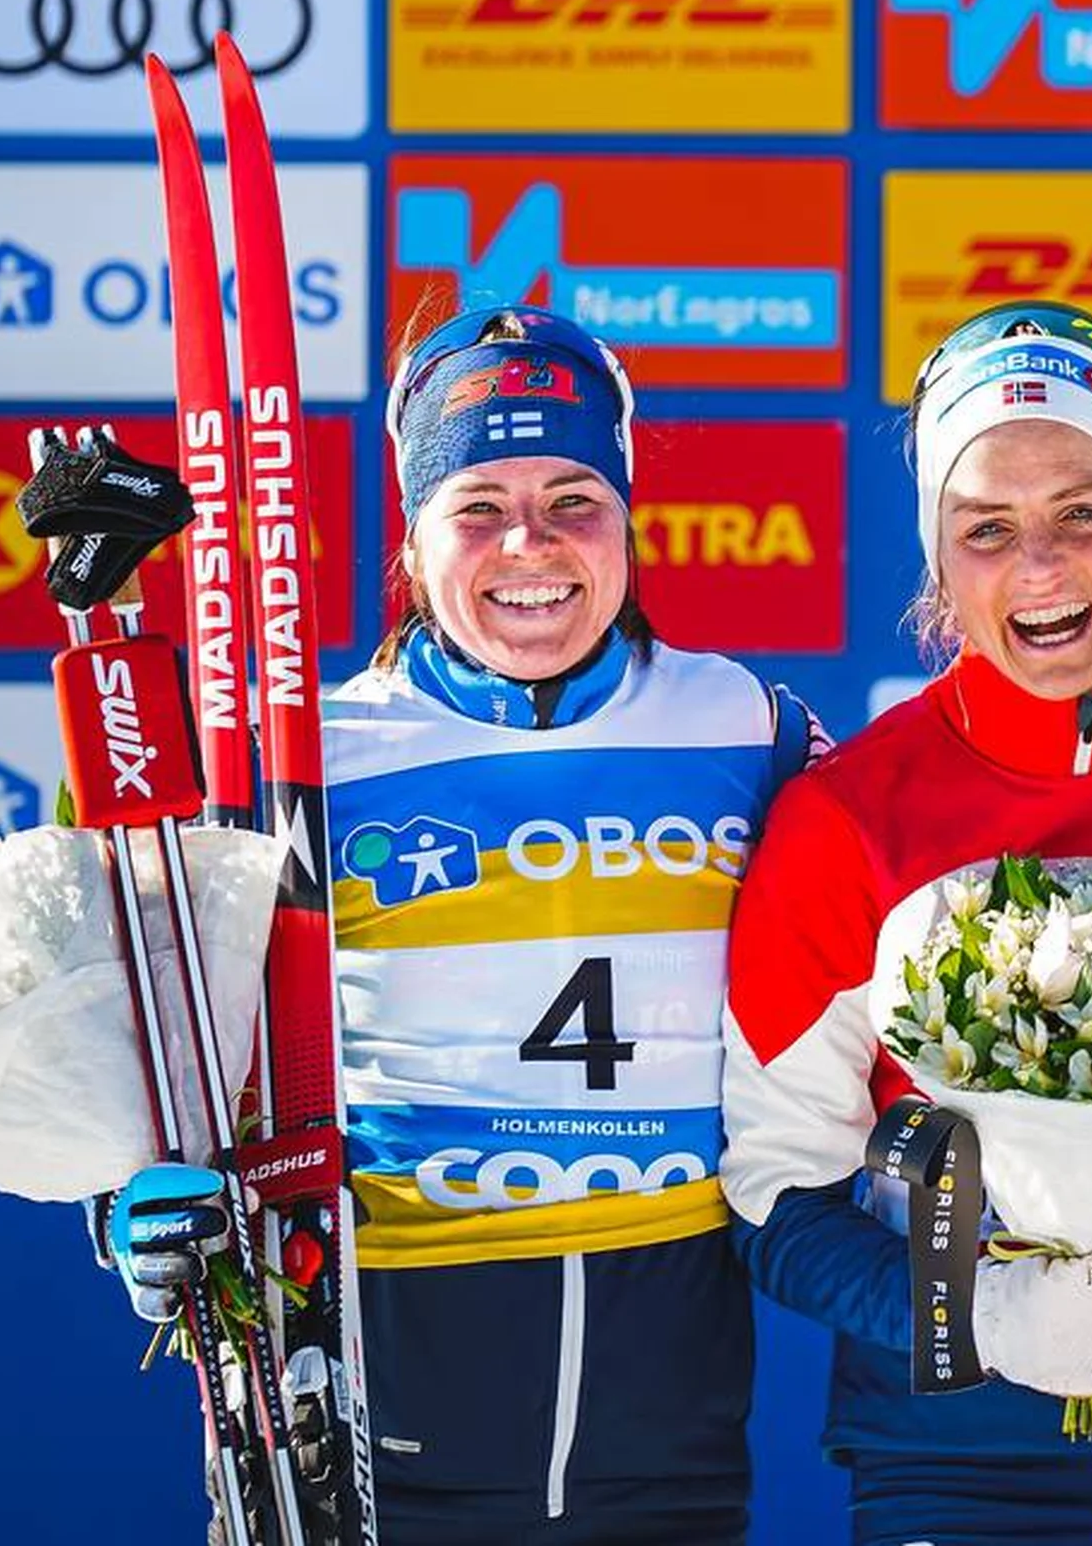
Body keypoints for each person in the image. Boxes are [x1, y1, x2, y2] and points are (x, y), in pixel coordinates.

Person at [98, 304, 824, 1545]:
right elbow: (173, 1032)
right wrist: (123, 1194)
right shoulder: (312, 757)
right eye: (477, 504)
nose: (527, 542)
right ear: (415, 534)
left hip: (672, 1415)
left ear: (631, 517)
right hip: (391, 1405)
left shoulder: (752, 729)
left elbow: (882, 972)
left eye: (574, 498)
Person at [720, 301, 1092, 1546]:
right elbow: (778, 1196)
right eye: (987, 529)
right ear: (940, 562)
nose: (1039, 567)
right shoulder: (850, 819)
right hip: (960, 1458)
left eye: (1086, 512)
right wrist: (984, 1314)